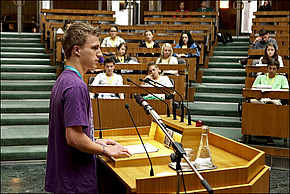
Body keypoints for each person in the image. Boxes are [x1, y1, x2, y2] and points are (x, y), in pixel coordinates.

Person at [45, 23, 132, 194]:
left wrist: (93, 140)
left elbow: (71, 131)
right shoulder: (76, 86)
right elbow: (74, 138)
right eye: (94, 48)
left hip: (65, 178)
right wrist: (106, 150)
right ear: (77, 50)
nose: (100, 54)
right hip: (75, 181)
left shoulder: (64, 79)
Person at [238, 58, 289, 145]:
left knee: (270, 105)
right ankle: (247, 134)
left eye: (274, 69)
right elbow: (253, 90)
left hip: (275, 101)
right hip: (261, 100)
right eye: (270, 68)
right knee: (250, 103)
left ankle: (269, 135)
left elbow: (285, 92)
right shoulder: (260, 77)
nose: (271, 71)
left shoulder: (282, 78)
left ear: (277, 69)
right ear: (267, 68)